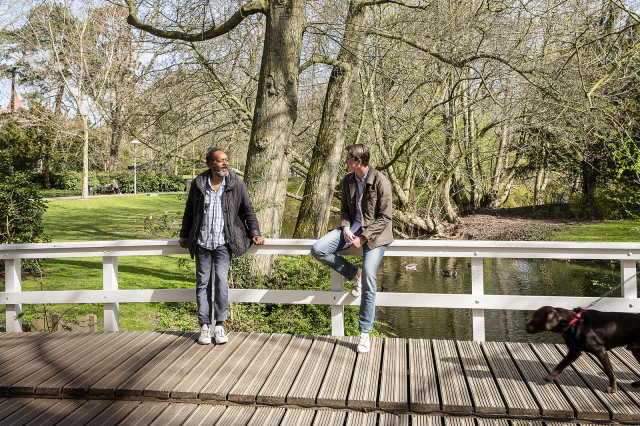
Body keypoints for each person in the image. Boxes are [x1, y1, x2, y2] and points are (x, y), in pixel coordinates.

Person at [310, 144, 393, 353]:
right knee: (318, 249)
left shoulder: (381, 181)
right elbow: (345, 210)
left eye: (348, 159)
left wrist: (363, 238)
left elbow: (385, 218)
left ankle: (364, 333)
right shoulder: (348, 179)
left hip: (374, 236)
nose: (345, 162)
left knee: (369, 277)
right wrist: (346, 228)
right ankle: (352, 273)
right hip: (351, 231)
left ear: (359, 161)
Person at [179, 148, 265, 345]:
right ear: (211, 164)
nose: (225, 163)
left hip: (224, 243)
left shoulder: (236, 183)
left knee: (220, 281)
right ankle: (203, 327)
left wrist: (255, 233)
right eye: (221, 161)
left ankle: (219, 325)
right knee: (202, 284)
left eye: (226, 160)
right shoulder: (199, 183)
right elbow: (189, 211)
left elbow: (248, 210)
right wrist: (184, 235)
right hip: (202, 242)